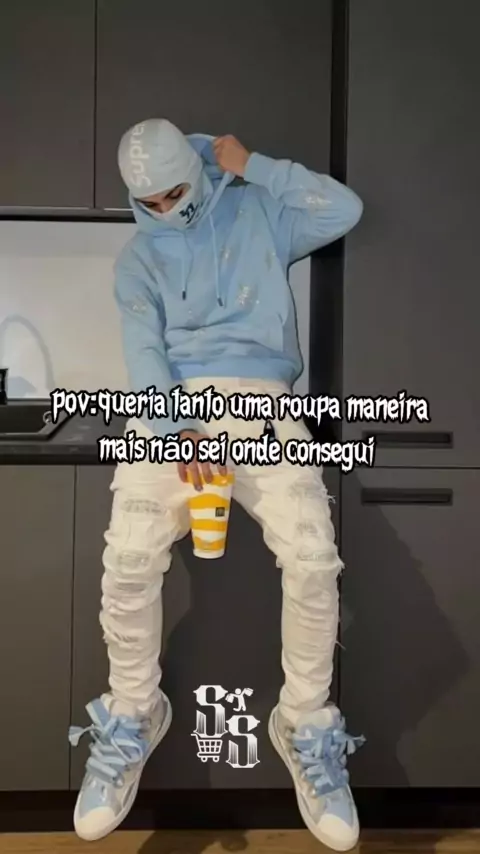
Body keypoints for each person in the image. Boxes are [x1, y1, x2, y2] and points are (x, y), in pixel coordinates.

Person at [69, 118, 365, 850]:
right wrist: (176, 428)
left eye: (174, 193)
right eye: (149, 202)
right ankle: (135, 710)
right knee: (127, 559)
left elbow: (343, 209)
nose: (165, 209)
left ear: (197, 171)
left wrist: (257, 164)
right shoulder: (137, 261)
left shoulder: (259, 207)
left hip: (264, 404)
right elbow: (144, 352)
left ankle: (304, 720)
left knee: (313, 559)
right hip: (172, 409)